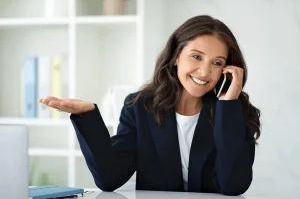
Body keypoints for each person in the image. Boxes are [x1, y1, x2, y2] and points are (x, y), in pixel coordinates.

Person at [39, 15, 261, 196]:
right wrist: (87, 116)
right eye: (196, 56)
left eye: (216, 63)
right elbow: (109, 178)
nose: (205, 71)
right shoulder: (140, 107)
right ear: (176, 57)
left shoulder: (237, 111)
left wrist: (228, 104)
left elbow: (234, 186)